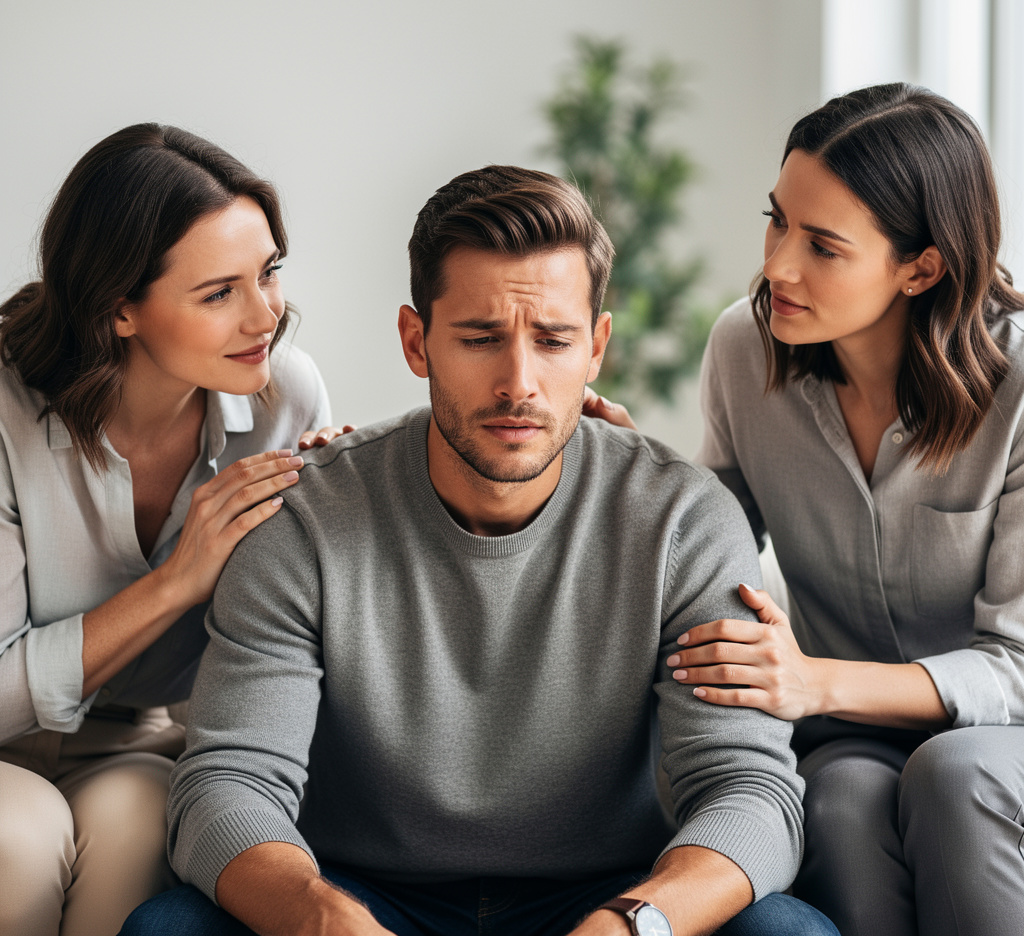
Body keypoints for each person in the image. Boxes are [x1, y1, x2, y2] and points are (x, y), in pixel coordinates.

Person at [118, 166, 838, 936]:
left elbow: (749, 792)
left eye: (554, 340)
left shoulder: (685, 520)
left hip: (609, 896)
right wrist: (318, 916)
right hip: (354, 891)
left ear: (596, 348)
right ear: (415, 341)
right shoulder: (303, 520)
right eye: (480, 338)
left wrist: (634, 926)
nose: (518, 383)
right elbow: (228, 785)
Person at [626, 83, 1024, 936]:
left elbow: (1016, 667)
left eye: (823, 246)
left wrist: (813, 681)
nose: (777, 265)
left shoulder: (1019, 387)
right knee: (837, 799)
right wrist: (614, 466)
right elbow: (706, 537)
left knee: (953, 776)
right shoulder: (745, 345)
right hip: (849, 737)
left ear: (922, 266)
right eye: (777, 221)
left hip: (1003, 734)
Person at [0, 123, 341, 936]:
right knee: (20, 837)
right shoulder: (6, 408)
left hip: (140, 742)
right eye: (220, 293)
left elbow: (304, 635)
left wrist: (347, 522)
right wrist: (178, 581)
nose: (267, 317)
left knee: (142, 826)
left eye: (269, 274)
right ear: (119, 308)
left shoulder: (283, 396)